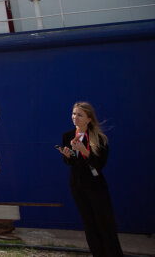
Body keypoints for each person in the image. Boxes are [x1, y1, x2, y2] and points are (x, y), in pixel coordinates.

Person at [58, 102, 123, 257]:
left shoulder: (99, 138)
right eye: (74, 114)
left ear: (88, 119)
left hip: (96, 186)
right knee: (89, 225)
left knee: (104, 224)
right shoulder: (68, 135)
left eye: (79, 115)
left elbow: (99, 163)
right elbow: (72, 163)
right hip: (78, 186)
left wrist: (83, 150)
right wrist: (68, 156)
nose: (75, 117)